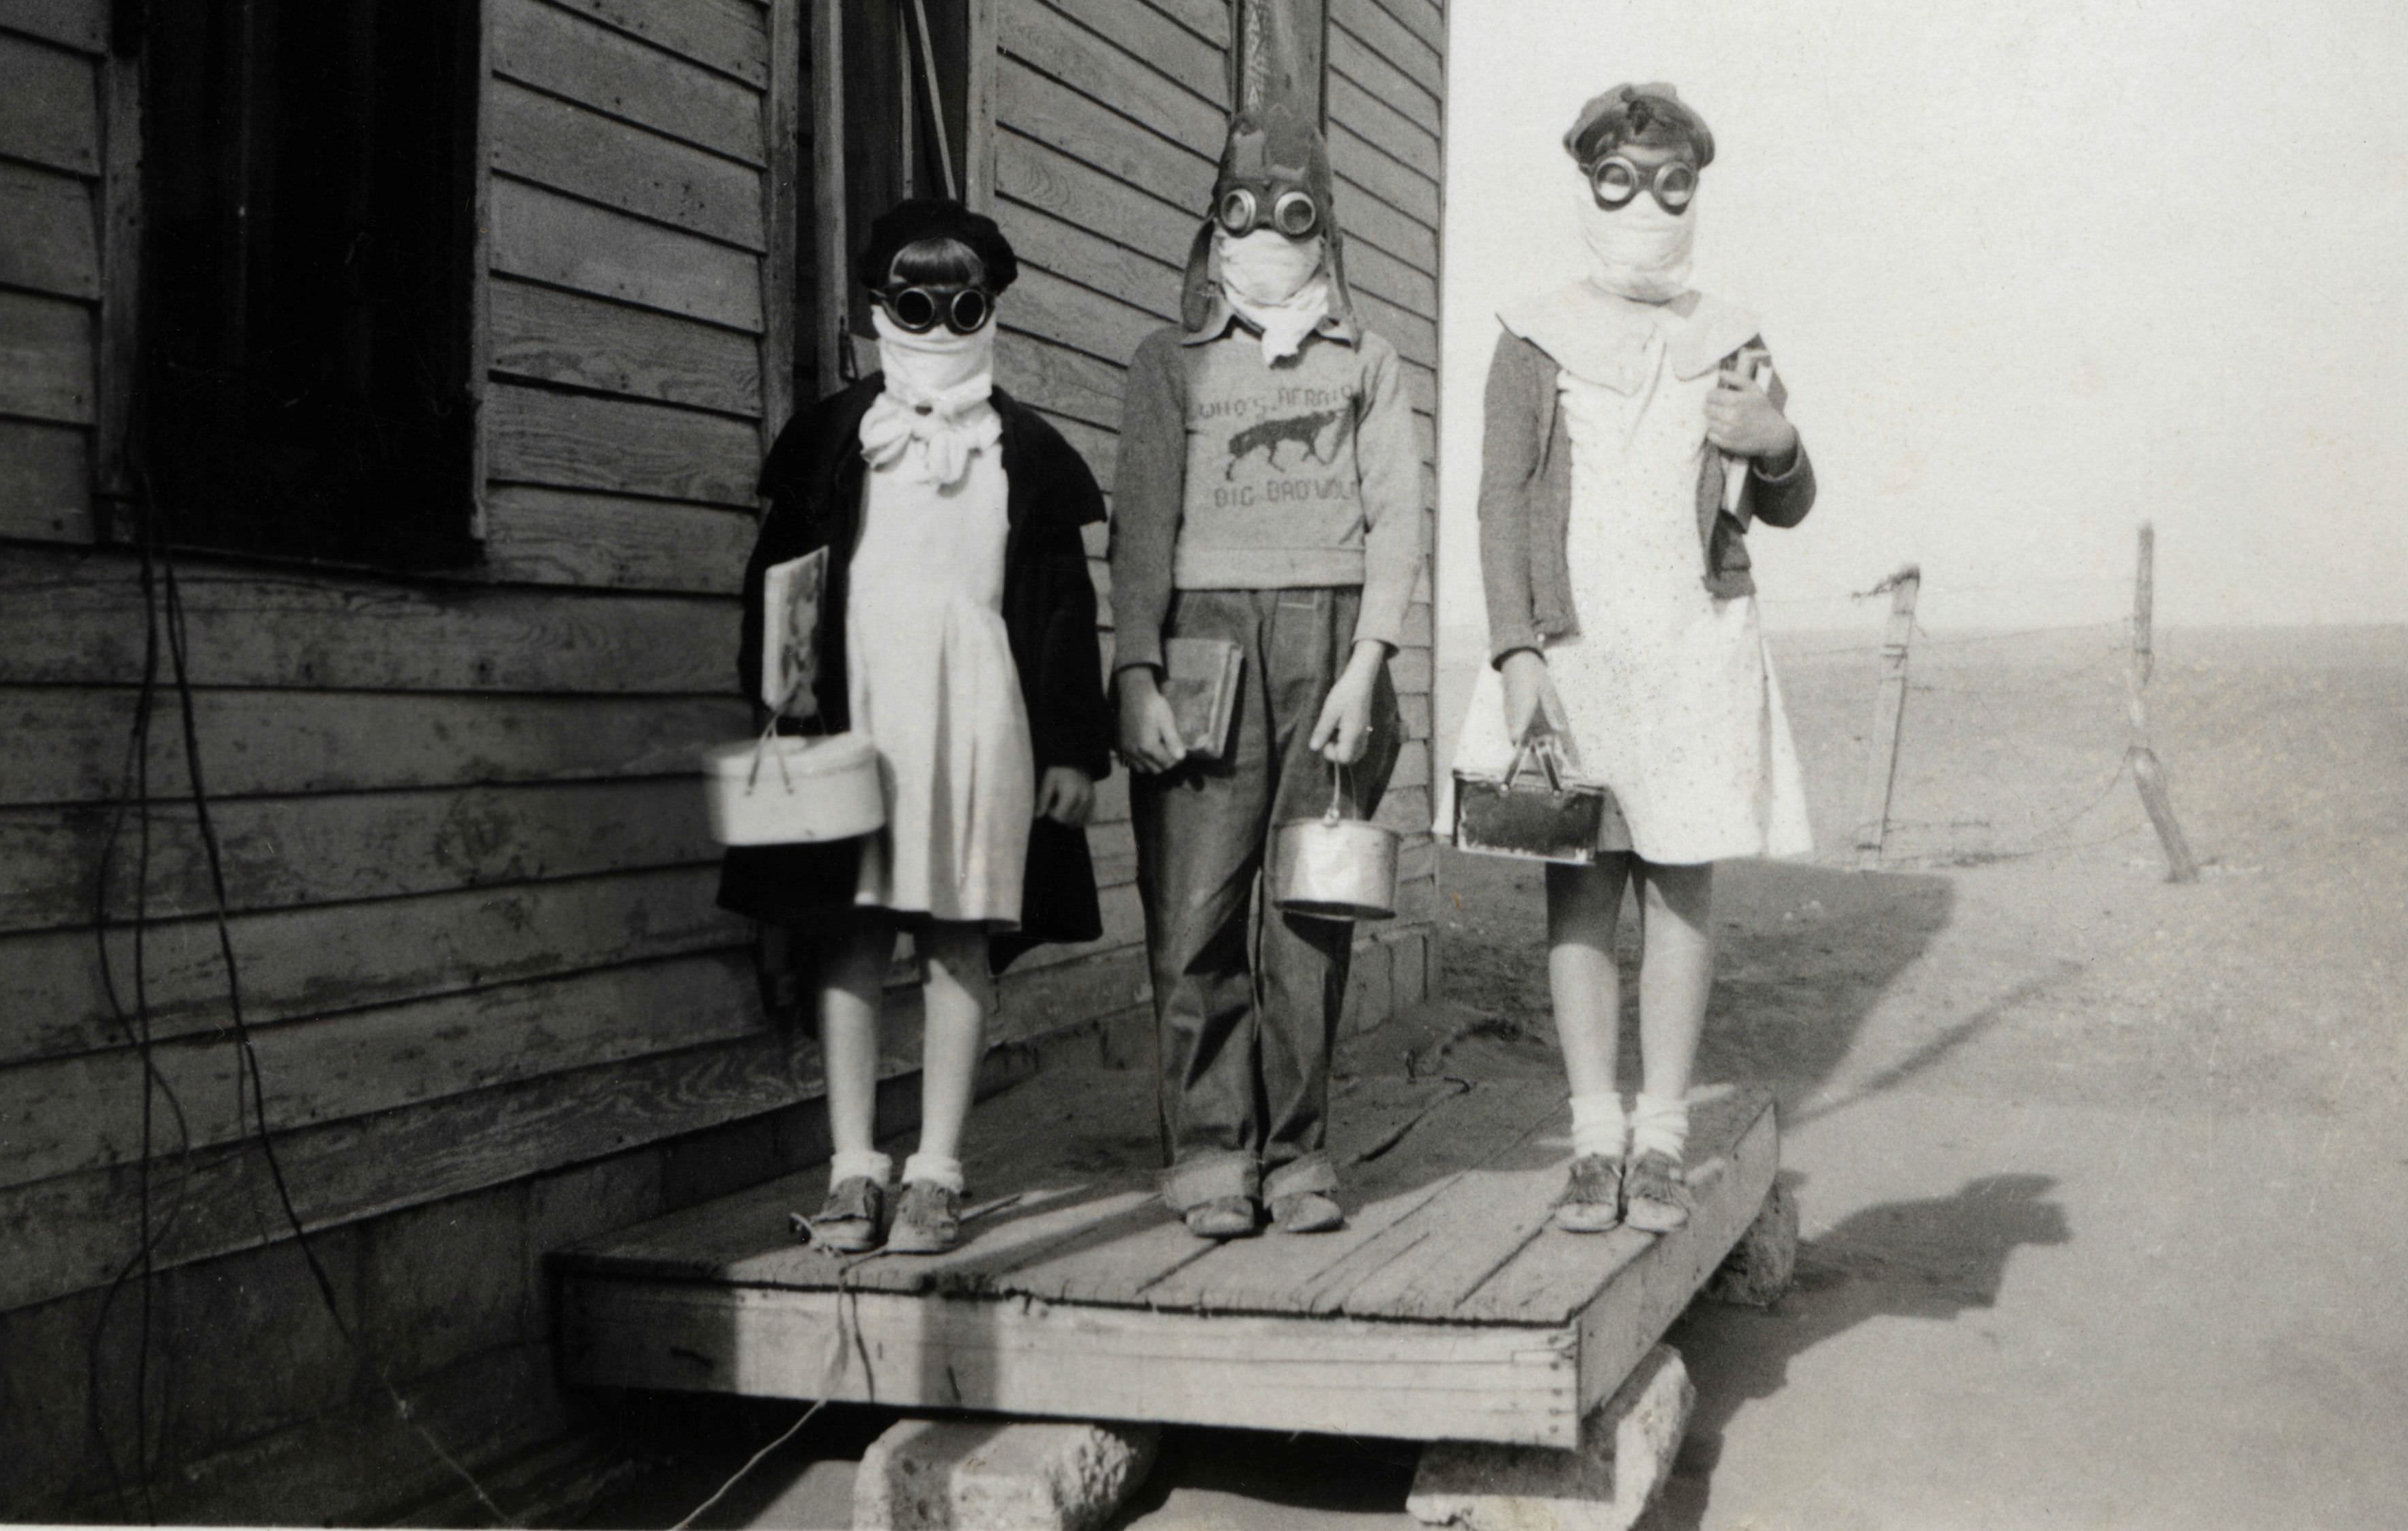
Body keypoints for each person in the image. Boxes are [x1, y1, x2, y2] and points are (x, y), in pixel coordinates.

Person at [721, 199, 1114, 1256]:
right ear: (879, 307)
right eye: (914, 303)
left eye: (962, 304)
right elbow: (780, 585)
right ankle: (854, 1165)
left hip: (977, 718)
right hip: (855, 713)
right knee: (844, 934)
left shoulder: (1021, 453)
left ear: (991, 309)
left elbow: (1064, 611)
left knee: (955, 939)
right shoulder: (835, 443)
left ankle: (936, 1169)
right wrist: (782, 705)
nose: (938, 325)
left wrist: (1074, 746)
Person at [1459, 82, 1817, 1236]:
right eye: (1622, 180)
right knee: (1580, 887)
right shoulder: (1533, 330)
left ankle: (1661, 1134)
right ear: (1588, 184)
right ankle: (1593, 1135)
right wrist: (1517, 651)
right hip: (1576, 654)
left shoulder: (1732, 334)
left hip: (1692, 650)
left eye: (1673, 182)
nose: (1648, 203)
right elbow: (1499, 500)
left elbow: (1787, 499)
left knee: (1682, 882)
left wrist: (1780, 447)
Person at [1110, 106, 1423, 1240]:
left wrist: (1369, 662)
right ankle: (1206, 1152)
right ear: (1213, 223)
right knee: (1195, 907)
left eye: (1292, 214)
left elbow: (1396, 520)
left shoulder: (1368, 362)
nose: (1265, 235)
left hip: (1330, 650)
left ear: (1325, 228)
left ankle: (1295, 1151)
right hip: (1202, 641)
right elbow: (1141, 528)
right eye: (1241, 212)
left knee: (1310, 903)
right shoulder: (1168, 364)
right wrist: (1137, 668)